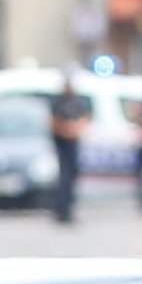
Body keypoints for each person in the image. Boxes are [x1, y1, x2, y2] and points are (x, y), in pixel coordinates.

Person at [49, 74, 93, 223]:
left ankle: (68, 209)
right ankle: (61, 210)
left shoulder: (78, 102)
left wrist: (76, 129)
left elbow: (85, 118)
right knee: (64, 178)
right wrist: (67, 130)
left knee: (72, 176)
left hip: (74, 144)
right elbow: (53, 121)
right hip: (62, 144)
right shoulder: (58, 102)